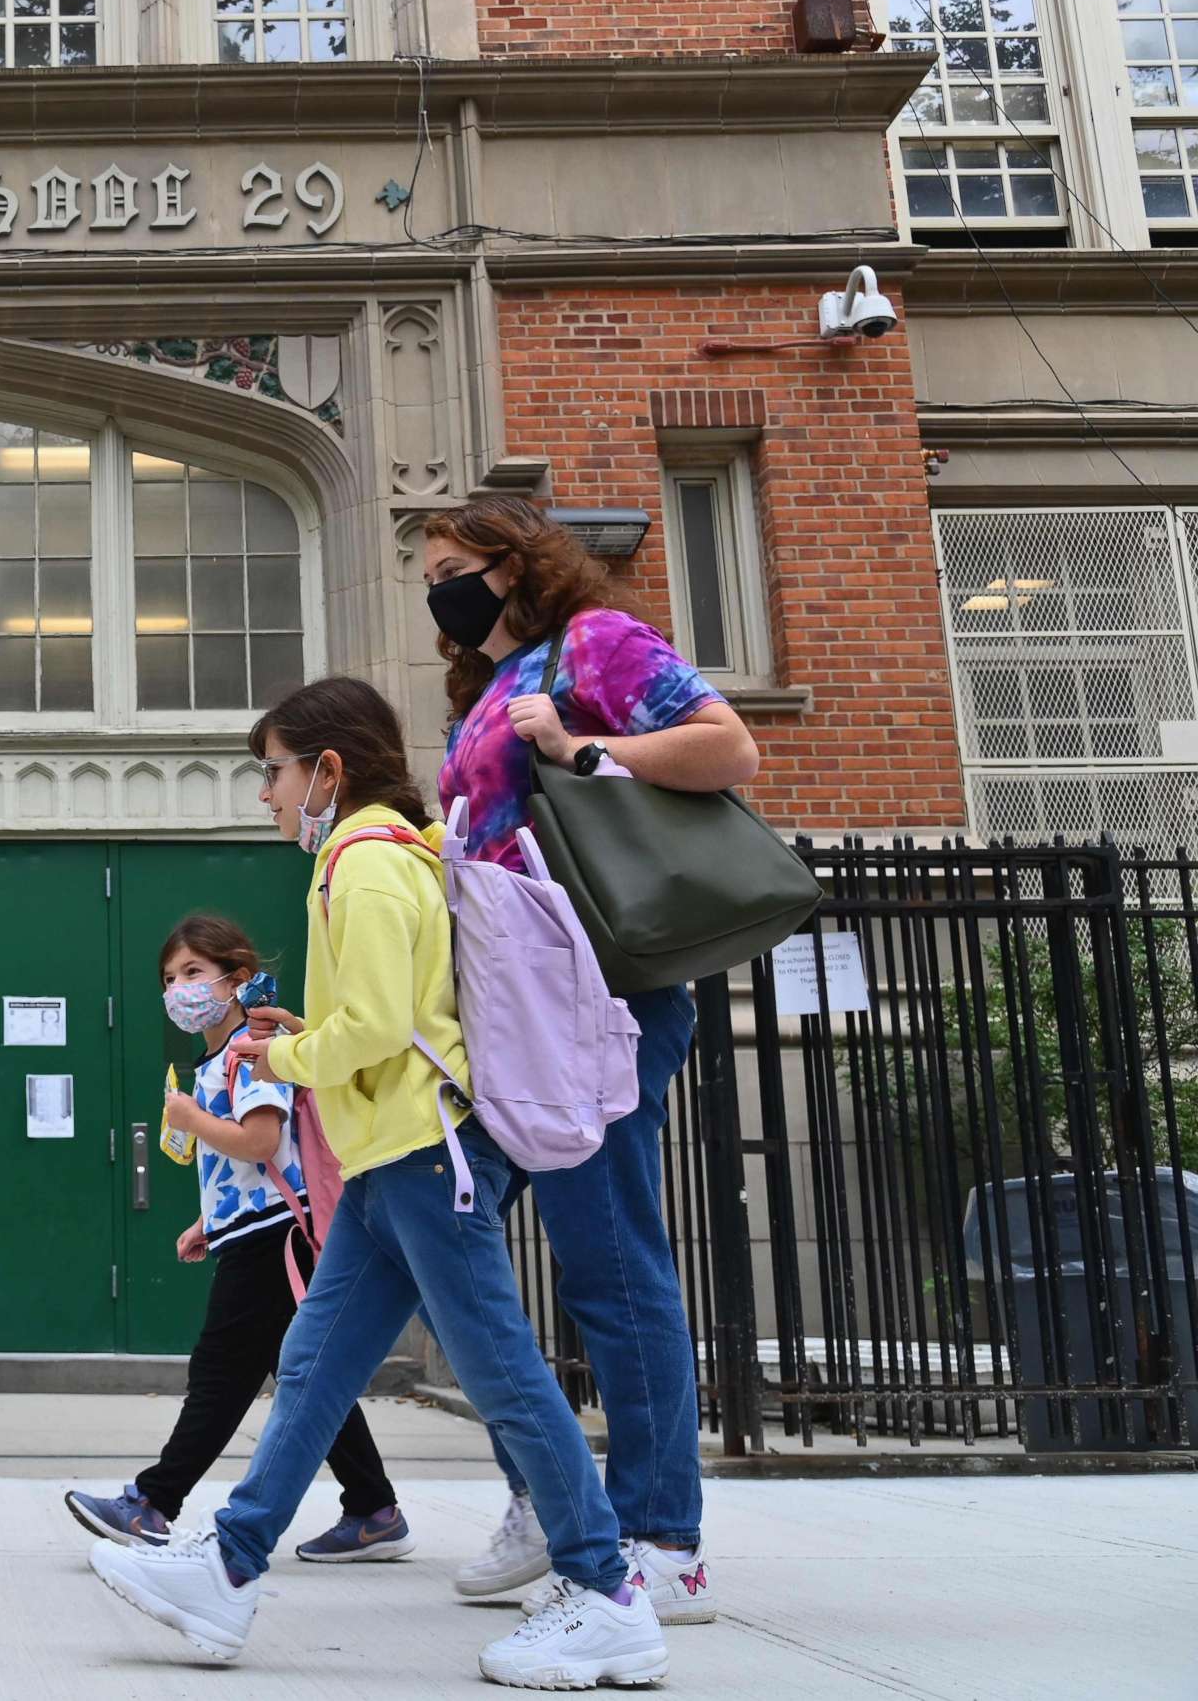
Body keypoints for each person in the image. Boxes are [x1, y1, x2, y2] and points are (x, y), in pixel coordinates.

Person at [88, 678, 668, 1689]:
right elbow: (379, 1020)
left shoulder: (358, 862)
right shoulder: (386, 856)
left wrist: (279, 1061)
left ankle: (605, 1593)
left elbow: (379, 1028)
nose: (266, 794)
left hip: (418, 1150)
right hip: (389, 1156)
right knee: (313, 1362)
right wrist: (308, 1041)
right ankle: (226, 1568)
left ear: (328, 770)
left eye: (272, 772)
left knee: (501, 1372)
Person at [422, 496, 761, 1626]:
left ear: (516, 566)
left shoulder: (595, 646)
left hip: (599, 997)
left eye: (454, 566)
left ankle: (664, 1538)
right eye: (429, 574)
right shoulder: (485, 687)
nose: (439, 590)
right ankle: (552, 1498)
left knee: (609, 1265)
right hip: (513, 1006)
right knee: (445, 1241)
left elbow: (727, 747)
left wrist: (584, 746)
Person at [63, 913, 411, 1564]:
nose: (180, 988)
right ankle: (373, 1507)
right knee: (308, 1373)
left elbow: (259, 1140)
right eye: (170, 977)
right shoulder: (219, 1057)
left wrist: (192, 1118)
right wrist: (208, 1221)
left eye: (194, 971)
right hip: (256, 1229)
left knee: (222, 1373)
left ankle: (152, 1502)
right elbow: (246, 1165)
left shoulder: (251, 1050)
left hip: (274, 1238)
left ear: (237, 977)